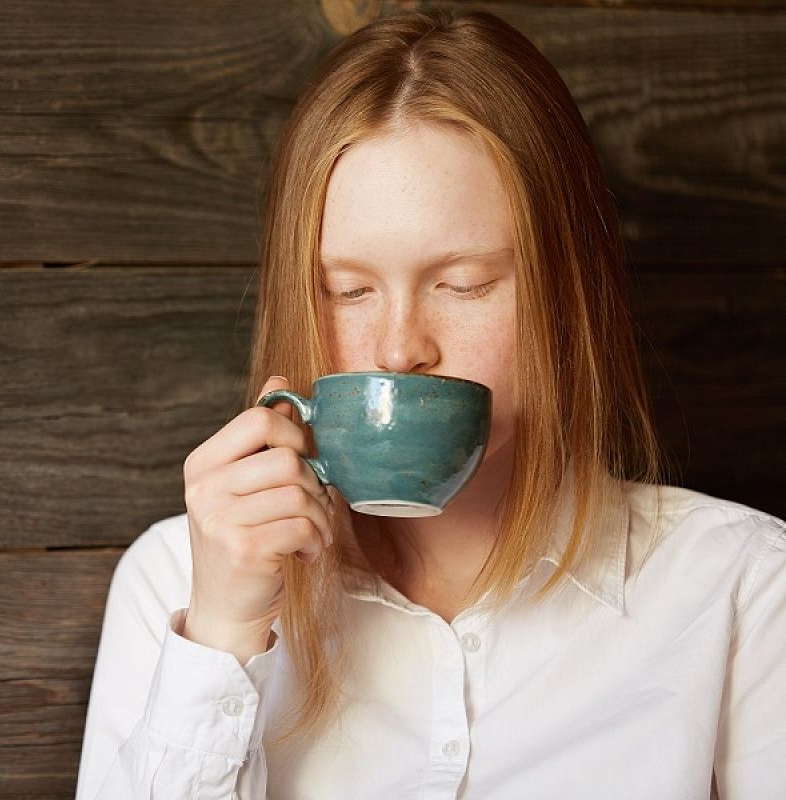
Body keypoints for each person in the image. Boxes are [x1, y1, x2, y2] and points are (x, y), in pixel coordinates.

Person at [75, 9, 785, 798]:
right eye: (347, 291)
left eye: (464, 283)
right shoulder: (175, 588)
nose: (397, 347)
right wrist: (222, 640)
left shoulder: (745, 589)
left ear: (568, 293)